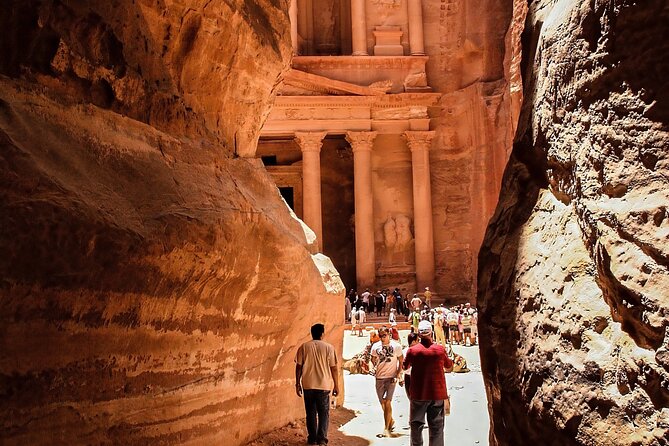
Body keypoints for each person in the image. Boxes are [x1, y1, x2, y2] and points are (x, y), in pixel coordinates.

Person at [403, 320, 454, 446]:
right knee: (436, 427)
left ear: (419, 335)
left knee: (416, 425)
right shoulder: (440, 350)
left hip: (418, 394)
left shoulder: (413, 351)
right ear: (431, 333)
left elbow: (405, 367)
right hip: (437, 394)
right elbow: (449, 366)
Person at [295, 323, 339, 446]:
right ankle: (322, 439)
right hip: (323, 385)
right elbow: (334, 368)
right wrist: (336, 385)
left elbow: (298, 367)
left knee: (310, 413)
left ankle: (312, 439)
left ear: (312, 333)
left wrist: (297, 383)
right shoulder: (329, 347)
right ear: (322, 334)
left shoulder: (303, 347)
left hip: (308, 385)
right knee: (324, 413)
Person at [370, 326, 404, 437]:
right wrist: (372, 367)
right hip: (379, 377)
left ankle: (386, 428)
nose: (382, 338)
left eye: (384, 335)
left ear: (389, 334)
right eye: (380, 336)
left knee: (387, 401)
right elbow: (372, 359)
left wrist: (398, 374)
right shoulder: (376, 346)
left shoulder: (396, 346)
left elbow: (401, 361)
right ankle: (391, 420)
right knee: (382, 402)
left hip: (391, 377)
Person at [401, 332, 420, 399]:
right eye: (418, 340)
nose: (419, 342)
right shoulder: (404, 351)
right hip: (409, 376)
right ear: (413, 341)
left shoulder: (420, 350)